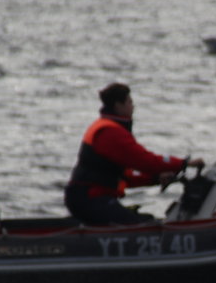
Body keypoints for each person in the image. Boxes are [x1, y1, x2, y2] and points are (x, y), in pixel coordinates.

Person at [65, 82, 204, 225]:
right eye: (130, 102)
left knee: (146, 219)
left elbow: (126, 176)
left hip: (87, 198)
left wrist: (156, 178)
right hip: (90, 199)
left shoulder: (107, 126)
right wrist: (183, 163)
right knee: (143, 225)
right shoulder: (110, 132)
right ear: (118, 105)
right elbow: (146, 161)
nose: (133, 106)